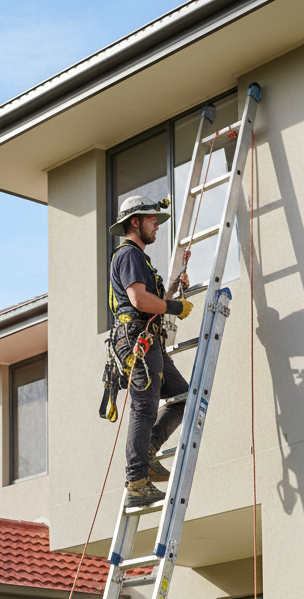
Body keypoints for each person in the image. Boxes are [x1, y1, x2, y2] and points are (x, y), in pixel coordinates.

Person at [108, 195, 194, 508]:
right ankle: (136, 482)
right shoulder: (129, 255)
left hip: (148, 339)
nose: (157, 225)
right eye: (152, 220)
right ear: (135, 222)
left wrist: (174, 290)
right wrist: (175, 306)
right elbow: (140, 301)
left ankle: (148, 448)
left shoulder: (139, 260)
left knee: (186, 396)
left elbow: (151, 299)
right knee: (144, 408)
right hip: (138, 341)